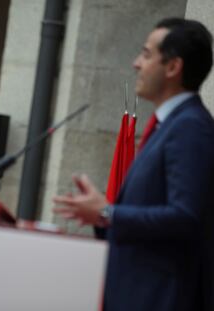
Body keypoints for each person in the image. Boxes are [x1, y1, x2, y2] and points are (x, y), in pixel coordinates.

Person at [53, 18, 214, 311]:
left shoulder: (191, 127)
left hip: (161, 298)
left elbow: (185, 217)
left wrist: (106, 212)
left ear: (173, 67)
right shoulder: (168, 125)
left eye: (146, 54)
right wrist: (103, 218)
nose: (136, 63)